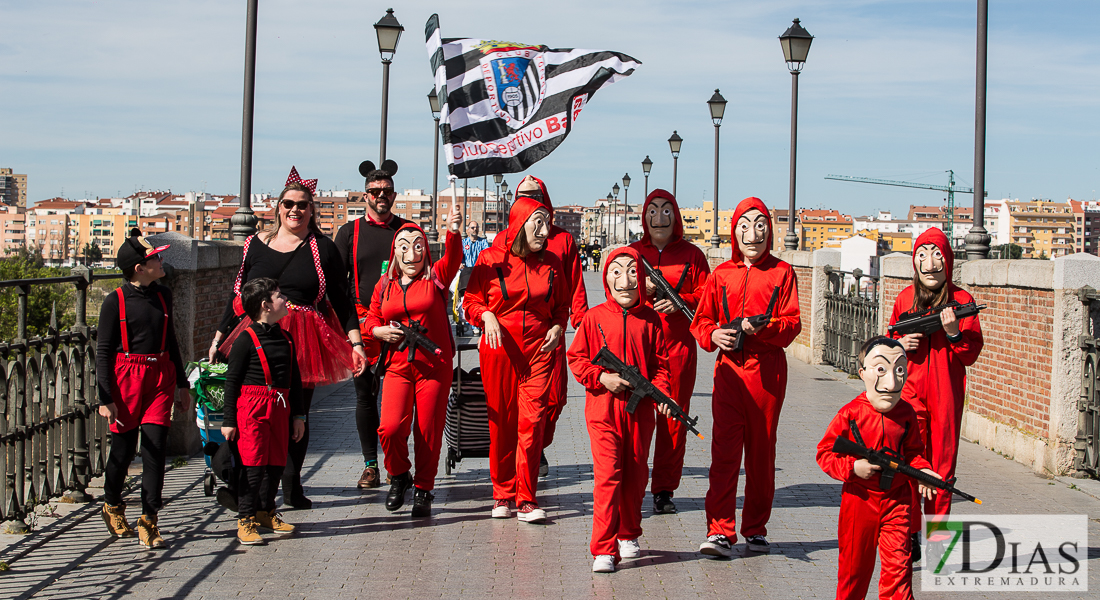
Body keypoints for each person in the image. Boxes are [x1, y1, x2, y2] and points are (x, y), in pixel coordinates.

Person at [210, 167, 368, 509]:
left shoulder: (323, 248)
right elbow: (238, 297)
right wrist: (220, 335)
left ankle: (291, 485)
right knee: (250, 409)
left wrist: (356, 344)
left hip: (304, 339)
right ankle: (243, 482)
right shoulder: (254, 244)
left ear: (312, 210)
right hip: (255, 337)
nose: (294, 210)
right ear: (277, 208)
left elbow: (341, 300)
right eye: (288, 204)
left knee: (296, 412)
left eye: (302, 205)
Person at [690, 197, 802, 557]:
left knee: (760, 453)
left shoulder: (783, 273)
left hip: (767, 373)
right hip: (728, 372)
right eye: (744, 225)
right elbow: (701, 321)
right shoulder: (720, 274)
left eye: (759, 225)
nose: (752, 233)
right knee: (723, 453)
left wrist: (761, 329)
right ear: (734, 231)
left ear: (769, 229)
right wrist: (713, 335)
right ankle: (719, 530)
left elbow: (792, 324)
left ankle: (755, 527)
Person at [567, 247, 676, 573]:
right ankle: (603, 547)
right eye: (616, 271)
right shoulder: (594, 318)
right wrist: (602, 377)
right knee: (608, 477)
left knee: (635, 474)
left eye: (632, 271)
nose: (625, 279)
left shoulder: (651, 319)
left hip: (640, 413)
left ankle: (628, 533)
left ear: (641, 279)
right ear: (606, 278)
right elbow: (577, 358)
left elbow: (662, 367)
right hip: (602, 412)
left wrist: (663, 396)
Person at [464, 196, 570, 522]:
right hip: (500, 351)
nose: (544, 229)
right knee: (502, 424)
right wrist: (486, 316)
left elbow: (561, 306)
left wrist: (557, 327)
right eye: (537, 222)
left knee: (532, 423)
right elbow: (469, 302)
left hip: (539, 351)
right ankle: (501, 494)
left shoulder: (552, 263)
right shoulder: (490, 259)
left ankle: (526, 498)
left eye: (546, 222)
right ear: (519, 223)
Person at [817, 336, 942, 599]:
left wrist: (924, 472)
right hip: (859, 502)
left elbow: (913, 453)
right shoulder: (850, 414)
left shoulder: (906, 413)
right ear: (863, 373)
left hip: (898, 501)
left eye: (899, 370)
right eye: (881, 369)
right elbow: (825, 453)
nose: (892, 381)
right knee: (854, 573)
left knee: (899, 572)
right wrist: (853, 468)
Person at [887, 228, 983, 551]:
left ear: (948, 259)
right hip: (910, 395)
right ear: (914, 261)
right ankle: (912, 533)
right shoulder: (904, 299)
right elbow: (887, 346)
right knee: (911, 463)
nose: (930, 264)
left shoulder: (963, 301)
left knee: (942, 468)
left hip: (947, 397)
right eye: (923, 255)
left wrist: (954, 334)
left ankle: (938, 539)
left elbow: (971, 352)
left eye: (937, 255)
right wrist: (900, 344)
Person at [365, 202, 463, 517]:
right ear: (395, 252)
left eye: (418, 246)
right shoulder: (385, 284)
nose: (411, 254)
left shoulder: (436, 279)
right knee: (390, 428)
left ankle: (423, 487)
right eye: (404, 247)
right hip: (397, 367)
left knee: (427, 429)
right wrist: (377, 330)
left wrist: (453, 230)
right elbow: (370, 317)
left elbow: (454, 257)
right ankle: (398, 474)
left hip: (434, 367)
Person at [97, 229, 191, 548]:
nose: (162, 261)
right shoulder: (115, 302)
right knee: (122, 452)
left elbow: (172, 341)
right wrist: (105, 396)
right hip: (127, 378)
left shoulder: (163, 295)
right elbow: (103, 352)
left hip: (160, 375)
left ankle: (149, 519)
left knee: (155, 450)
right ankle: (112, 504)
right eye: (156, 258)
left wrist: (181, 384)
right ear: (140, 267)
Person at [498, 175, 588, 477]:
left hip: (552, 331)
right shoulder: (504, 239)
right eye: (522, 195)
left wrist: (582, 327)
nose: (529, 199)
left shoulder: (562, 240)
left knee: (556, 398)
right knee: (515, 402)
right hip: (513, 336)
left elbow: (575, 285)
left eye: (535, 194)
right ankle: (526, 449)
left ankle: (538, 443)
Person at [628, 189, 710, 514]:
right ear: (644, 216)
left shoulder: (693, 255)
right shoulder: (633, 252)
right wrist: (641, 290)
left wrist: (682, 303)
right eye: (652, 209)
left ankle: (663, 489)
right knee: (634, 418)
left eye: (665, 209)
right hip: (639, 349)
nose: (658, 216)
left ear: (675, 215)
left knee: (674, 421)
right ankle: (632, 481)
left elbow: (707, 293)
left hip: (678, 350)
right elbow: (614, 286)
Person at [334, 164, 408, 490]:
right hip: (362, 325)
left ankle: (396, 464)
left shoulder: (407, 231)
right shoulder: (349, 233)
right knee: (365, 397)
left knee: (400, 402)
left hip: (398, 327)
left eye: (387, 192)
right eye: (375, 192)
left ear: (394, 195)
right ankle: (370, 464)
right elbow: (336, 286)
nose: (381, 197)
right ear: (366, 195)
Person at [221, 278, 306, 545]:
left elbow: (295, 380)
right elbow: (232, 380)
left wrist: (299, 416)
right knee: (254, 464)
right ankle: (245, 518)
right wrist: (228, 420)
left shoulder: (286, 338)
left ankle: (265, 510)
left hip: (280, 405)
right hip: (253, 406)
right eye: (279, 296)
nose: (285, 300)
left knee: (276, 463)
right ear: (265, 305)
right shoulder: (245, 339)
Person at [455, 220, 490, 335]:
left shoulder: (483, 242)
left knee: (480, 299)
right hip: (466, 274)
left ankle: (477, 324)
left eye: (476, 227)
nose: (474, 229)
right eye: (472, 227)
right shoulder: (463, 243)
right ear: (468, 229)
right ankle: (468, 322)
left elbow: (486, 255)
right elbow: (459, 257)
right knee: (465, 298)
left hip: (479, 273)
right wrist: (460, 263)